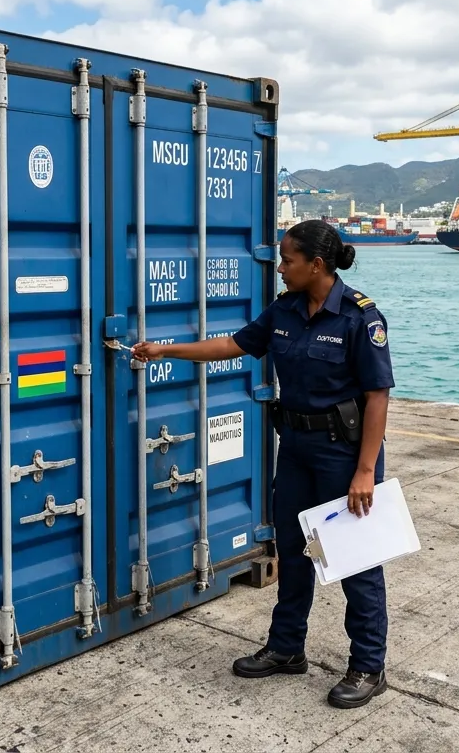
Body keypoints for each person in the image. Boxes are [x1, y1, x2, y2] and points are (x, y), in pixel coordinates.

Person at [131, 219, 394, 709]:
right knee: (292, 550)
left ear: (316, 264)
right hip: (294, 448)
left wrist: (365, 471)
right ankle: (287, 648)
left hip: (343, 453)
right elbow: (231, 345)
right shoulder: (284, 310)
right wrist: (165, 349)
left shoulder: (361, 318)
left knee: (356, 559)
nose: (281, 268)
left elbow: (377, 397)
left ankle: (368, 665)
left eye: (288, 260)